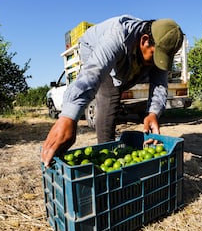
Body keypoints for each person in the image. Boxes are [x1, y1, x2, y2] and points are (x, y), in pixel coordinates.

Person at [41, 15, 184, 167]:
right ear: (144, 40)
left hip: (127, 55)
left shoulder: (158, 45)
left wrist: (153, 113)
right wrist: (68, 117)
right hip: (92, 48)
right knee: (110, 94)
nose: (156, 62)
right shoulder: (118, 36)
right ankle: (105, 150)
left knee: (135, 76)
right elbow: (93, 73)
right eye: (155, 55)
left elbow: (159, 83)